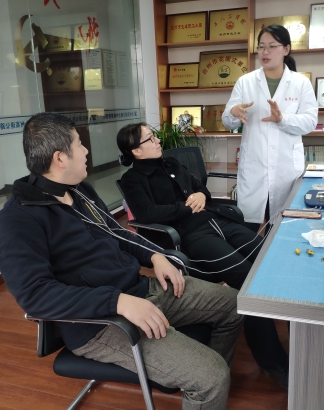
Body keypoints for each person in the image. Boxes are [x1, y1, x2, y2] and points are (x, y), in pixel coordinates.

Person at [0, 112, 244, 410]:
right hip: (100, 324)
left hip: (139, 290)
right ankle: (206, 382)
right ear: (60, 158)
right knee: (211, 377)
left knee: (235, 305)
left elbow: (117, 233)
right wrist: (117, 302)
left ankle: (203, 385)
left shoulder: (80, 192)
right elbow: (36, 297)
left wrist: (155, 255)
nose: (86, 151)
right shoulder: (16, 221)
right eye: (79, 144)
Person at [117, 122, 291, 388]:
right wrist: (187, 207)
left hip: (216, 220)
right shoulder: (133, 180)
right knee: (248, 278)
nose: (157, 141)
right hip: (190, 235)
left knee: (269, 260)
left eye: (154, 136)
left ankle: (298, 335)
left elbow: (202, 190)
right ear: (136, 151)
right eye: (150, 139)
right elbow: (147, 214)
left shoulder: (172, 163)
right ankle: (271, 360)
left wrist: (199, 194)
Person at [222, 24, 318, 231]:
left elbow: (310, 122)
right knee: (248, 227)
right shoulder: (245, 82)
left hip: (286, 169)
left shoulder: (301, 83)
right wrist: (233, 112)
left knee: (283, 226)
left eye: (272, 46)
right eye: (261, 47)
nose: (265, 52)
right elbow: (228, 122)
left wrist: (282, 119)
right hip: (254, 166)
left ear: (286, 49)